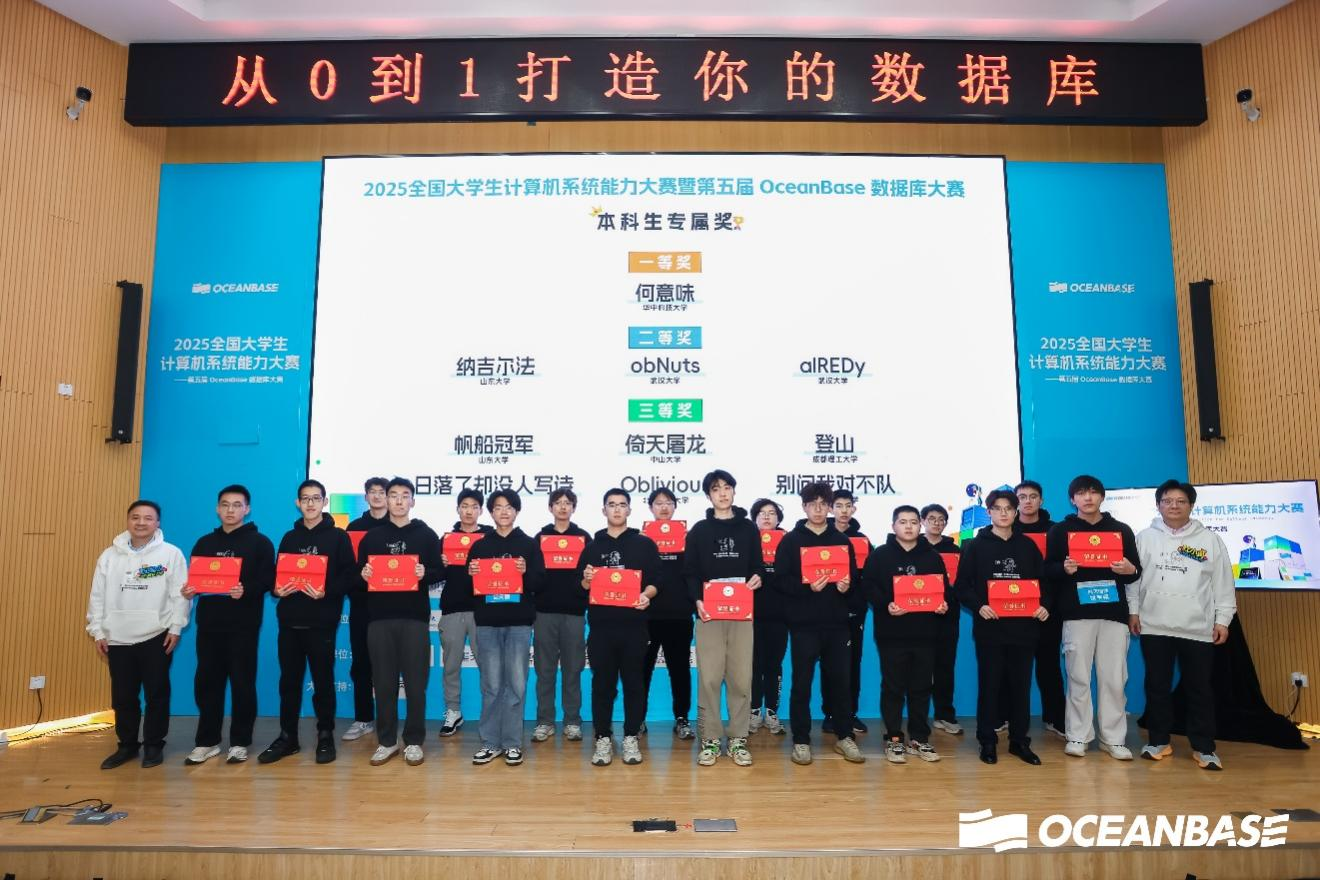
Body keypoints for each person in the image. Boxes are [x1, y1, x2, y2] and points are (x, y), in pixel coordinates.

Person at [1131, 479, 1236, 770]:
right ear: (1158, 505)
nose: (1173, 506)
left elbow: (1223, 583)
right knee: (1157, 686)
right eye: (1167, 501)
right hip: (1154, 625)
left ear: (1191, 505)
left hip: (1197, 628)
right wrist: (1134, 611)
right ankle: (1158, 741)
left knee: (1199, 689)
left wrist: (1223, 620)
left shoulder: (1209, 540)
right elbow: (1133, 581)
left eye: (1180, 501)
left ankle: (1204, 748)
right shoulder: (1144, 538)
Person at [259, 479, 357, 765]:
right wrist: (276, 590)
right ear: (297, 503)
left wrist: (327, 591)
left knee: (323, 682)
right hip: (290, 621)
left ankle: (325, 736)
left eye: (316, 498)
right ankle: (287, 737)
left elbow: (350, 576)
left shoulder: (338, 537)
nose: (310, 503)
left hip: (321, 622)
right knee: (288, 683)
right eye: (305, 498)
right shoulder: (290, 538)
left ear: (325, 502)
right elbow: (278, 576)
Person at [1044, 474, 1141, 761]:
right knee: (1078, 677)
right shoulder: (1060, 531)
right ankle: (1078, 736)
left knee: (1114, 678)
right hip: (1076, 615)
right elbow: (1048, 570)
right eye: (1081, 493)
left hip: (1113, 615)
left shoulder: (1121, 530)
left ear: (1102, 496)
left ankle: (1114, 739)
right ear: (1072, 499)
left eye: (1093, 492)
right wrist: (1063, 569)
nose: (1088, 497)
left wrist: (1129, 570)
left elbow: (1135, 571)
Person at [87, 500, 189, 770]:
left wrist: (176, 627)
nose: (141, 522)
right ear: (128, 520)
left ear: (158, 523)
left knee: (157, 694)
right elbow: (97, 596)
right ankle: (127, 745)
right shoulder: (109, 556)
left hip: (157, 635)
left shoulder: (171, 554)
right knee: (123, 697)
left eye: (148, 518)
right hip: (117, 638)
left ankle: (154, 744)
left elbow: (180, 594)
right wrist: (98, 630)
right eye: (135, 517)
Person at [955, 489, 1051, 766]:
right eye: (997, 508)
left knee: (1021, 687)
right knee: (990, 686)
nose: (1004, 513)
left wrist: (1044, 605)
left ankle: (1020, 741)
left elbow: (1044, 582)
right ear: (989, 513)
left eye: (1009, 508)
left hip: (1024, 628)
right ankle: (987, 741)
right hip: (991, 628)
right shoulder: (975, 546)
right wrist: (979, 606)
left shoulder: (1027, 546)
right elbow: (962, 586)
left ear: (1016, 511)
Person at [184, 484, 275, 766]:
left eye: (237, 505)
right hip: (209, 625)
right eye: (225, 504)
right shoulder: (204, 543)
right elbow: (196, 579)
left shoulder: (260, 543)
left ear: (247, 509)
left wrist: (245, 589)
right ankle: (207, 741)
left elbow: (268, 581)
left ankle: (239, 742)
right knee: (207, 684)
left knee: (242, 684)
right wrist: (190, 590)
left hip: (243, 625)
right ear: (217, 508)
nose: (230, 510)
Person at [775, 481, 863, 765]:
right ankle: (801, 740)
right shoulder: (791, 541)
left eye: (823, 504)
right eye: (812, 504)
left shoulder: (841, 540)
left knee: (840, 683)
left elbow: (854, 580)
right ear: (803, 507)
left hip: (837, 624)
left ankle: (844, 736)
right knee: (801, 684)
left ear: (829, 508)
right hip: (803, 625)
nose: (817, 509)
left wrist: (846, 587)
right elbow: (780, 581)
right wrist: (807, 587)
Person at [357, 477, 444, 767]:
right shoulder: (372, 537)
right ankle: (387, 741)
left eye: (404, 495)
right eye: (393, 495)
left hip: (414, 619)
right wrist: (364, 574)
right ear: (385, 499)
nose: (398, 500)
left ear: (412, 501)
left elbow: (439, 571)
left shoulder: (426, 535)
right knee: (383, 684)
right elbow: (358, 574)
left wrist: (424, 573)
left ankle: (414, 741)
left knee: (416, 684)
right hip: (379, 619)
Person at [685, 469, 764, 766]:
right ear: (709, 495)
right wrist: (697, 600)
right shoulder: (699, 530)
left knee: (741, 678)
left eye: (727, 487)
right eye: (716, 488)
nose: (722, 493)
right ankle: (710, 739)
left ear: (734, 491)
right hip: (709, 613)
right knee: (709, 678)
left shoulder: (748, 529)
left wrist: (757, 577)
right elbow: (690, 572)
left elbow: (758, 566)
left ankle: (738, 739)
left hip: (742, 612)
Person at [580, 488, 662, 766]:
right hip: (601, 629)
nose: (616, 509)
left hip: (634, 628)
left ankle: (630, 736)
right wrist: (587, 580)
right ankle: (602, 737)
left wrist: (646, 596)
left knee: (634, 684)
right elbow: (581, 588)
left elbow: (656, 581)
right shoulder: (592, 547)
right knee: (602, 685)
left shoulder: (644, 545)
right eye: (611, 505)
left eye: (622, 504)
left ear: (629, 510)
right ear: (604, 510)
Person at [863, 505, 949, 764]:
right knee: (893, 687)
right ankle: (894, 738)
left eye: (913, 522)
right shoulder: (880, 555)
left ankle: (919, 738)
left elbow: (944, 590)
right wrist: (886, 604)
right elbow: (868, 586)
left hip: (925, 633)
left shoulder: (932, 557)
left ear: (920, 526)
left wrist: (942, 605)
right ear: (893, 526)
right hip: (892, 634)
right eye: (903, 522)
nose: (909, 526)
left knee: (921, 688)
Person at [467, 489, 544, 766]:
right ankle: (490, 743)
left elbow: (539, 583)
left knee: (516, 684)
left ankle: (512, 743)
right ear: (490, 512)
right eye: (498, 507)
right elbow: (470, 587)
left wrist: (525, 572)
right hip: (487, 623)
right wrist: (471, 574)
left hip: (519, 623)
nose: (504, 511)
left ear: (517, 511)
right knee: (491, 685)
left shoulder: (529, 544)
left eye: (509, 507)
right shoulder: (479, 546)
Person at [532, 487, 591, 743]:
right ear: (550, 508)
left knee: (573, 670)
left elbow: (590, 576)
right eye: (558, 503)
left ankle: (572, 721)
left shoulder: (584, 538)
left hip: (574, 614)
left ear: (574, 508)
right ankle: (545, 721)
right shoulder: (539, 538)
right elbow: (532, 576)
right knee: (544, 671)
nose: (563, 507)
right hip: (544, 613)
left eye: (568, 503)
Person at [436, 488, 493, 737]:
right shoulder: (446, 539)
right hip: (453, 609)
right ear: (458, 509)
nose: (469, 511)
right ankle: (453, 711)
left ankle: (491, 714)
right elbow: (434, 575)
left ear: (481, 511)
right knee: (451, 665)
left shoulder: (490, 538)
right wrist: (440, 564)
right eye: (464, 506)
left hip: (483, 610)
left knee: (488, 667)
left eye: (474, 507)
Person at [641, 486, 695, 740]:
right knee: (642, 670)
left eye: (668, 503)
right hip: (647, 615)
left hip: (680, 615)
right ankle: (638, 719)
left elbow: (695, 573)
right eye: (658, 503)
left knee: (680, 670)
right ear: (650, 508)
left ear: (675, 507)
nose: (663, 507)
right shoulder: (640, 540)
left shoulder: (688, 539)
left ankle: (682, 718)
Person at [342, 477, 391, 742]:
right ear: (366, 496)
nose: (377, 496)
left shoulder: (397, 526)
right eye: (372, 492)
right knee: (361, 663)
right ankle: (363, 718)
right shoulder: (355, 528)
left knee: (389, 665)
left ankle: (388, 720)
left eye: (382, 492)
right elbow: (348, 569)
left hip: (390, 605)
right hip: (362, 605)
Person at [1015, 480, 1064, 739]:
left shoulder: (1055, 530)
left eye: (1033, 496)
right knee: (1010, 667)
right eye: (1022, 497)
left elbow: (1060, 569)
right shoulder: (1006, 528)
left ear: (1041, 500)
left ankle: (1054, 717)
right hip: (1013, 607)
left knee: (1049, 665)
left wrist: (1048, 603)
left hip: (1048, 608)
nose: (1027, 501)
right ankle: (1005, 716)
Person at [825, 489, 869, 736]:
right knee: (829, 665)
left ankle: (850, 713)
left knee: (853, 664)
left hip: (854, 610)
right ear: (831, 508)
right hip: (826, 610)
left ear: (854, 508)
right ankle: (830, 714)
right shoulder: (822, 536)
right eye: (838, 505)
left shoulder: (862, 540)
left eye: (847, 505)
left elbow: (870, 575)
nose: (843, 510)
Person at [920, 503, 962, 735]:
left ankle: (944, 714)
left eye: (941, 520)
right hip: (918, 616)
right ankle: (918, 717)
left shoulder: (955, 550)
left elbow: (964, 581)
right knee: (919, 668)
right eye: (932, 519)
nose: (937, 523)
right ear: (923, 521)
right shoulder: (913, 547)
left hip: (947, 615)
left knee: (945, 667)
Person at [749, 498, 788, 735]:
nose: (766, 517)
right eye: (761, 513)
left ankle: (772, 711)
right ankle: (754, 710)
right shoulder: (748, 541)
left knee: (774, 664)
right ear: (754, 518)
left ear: (778, 519)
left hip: (780, 615)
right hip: (750, 614)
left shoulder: (789, 541)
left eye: (772, 513)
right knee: (753, 664)